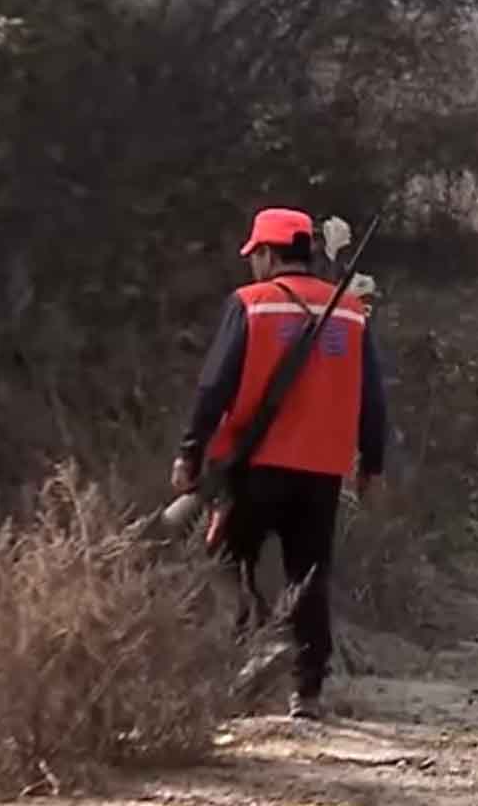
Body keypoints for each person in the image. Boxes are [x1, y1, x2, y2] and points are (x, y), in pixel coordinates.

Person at [171, 206, 389, 719]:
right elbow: (372, 399)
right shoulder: (352, 312)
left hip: (254, 467)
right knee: (309, 574)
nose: (252, 265)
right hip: (321, 471)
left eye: (255, 255)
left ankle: (251, 647)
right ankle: (306, 691)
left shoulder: (251, 305)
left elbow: (213, 386)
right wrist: (372, 466)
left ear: (269, 254)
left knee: (226, 560)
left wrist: (190, 451)